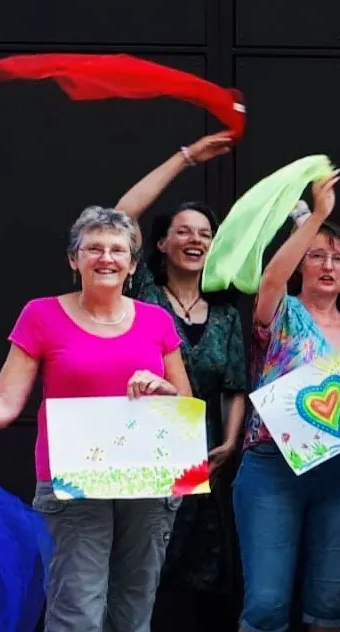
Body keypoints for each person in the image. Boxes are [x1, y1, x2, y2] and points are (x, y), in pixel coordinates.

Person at [0, 206, 192, 632]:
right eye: (93, 248)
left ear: (131, 264)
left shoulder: (156, 320)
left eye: (117, 250)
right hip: (72, 483)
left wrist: (164, 389)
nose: (106, 257)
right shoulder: (41, 315)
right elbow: (2, 405)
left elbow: (185, 402)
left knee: (133, 612)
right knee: (77, 613)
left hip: (148, 481)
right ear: (74, 259)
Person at [114, 132, 249, 631]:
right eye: (184, 232)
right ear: (160, 243)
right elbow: (122, 215)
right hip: (138, 446)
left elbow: (236, 383)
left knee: (202, 575)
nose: (196, 240)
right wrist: (185, 158)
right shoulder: (142, 293)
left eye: (205, 234)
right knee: (141, 568)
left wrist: (230, 442)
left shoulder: (226, 312)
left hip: (202, 455)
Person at [232, 170, 340, 632]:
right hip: (273, 468)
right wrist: (317, 217)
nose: (328, 266)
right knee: (268, 603)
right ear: (301, 265)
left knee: (331, 601)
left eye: (338, 258)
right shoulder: (283, 311)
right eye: (317, 256)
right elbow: (271, 276)